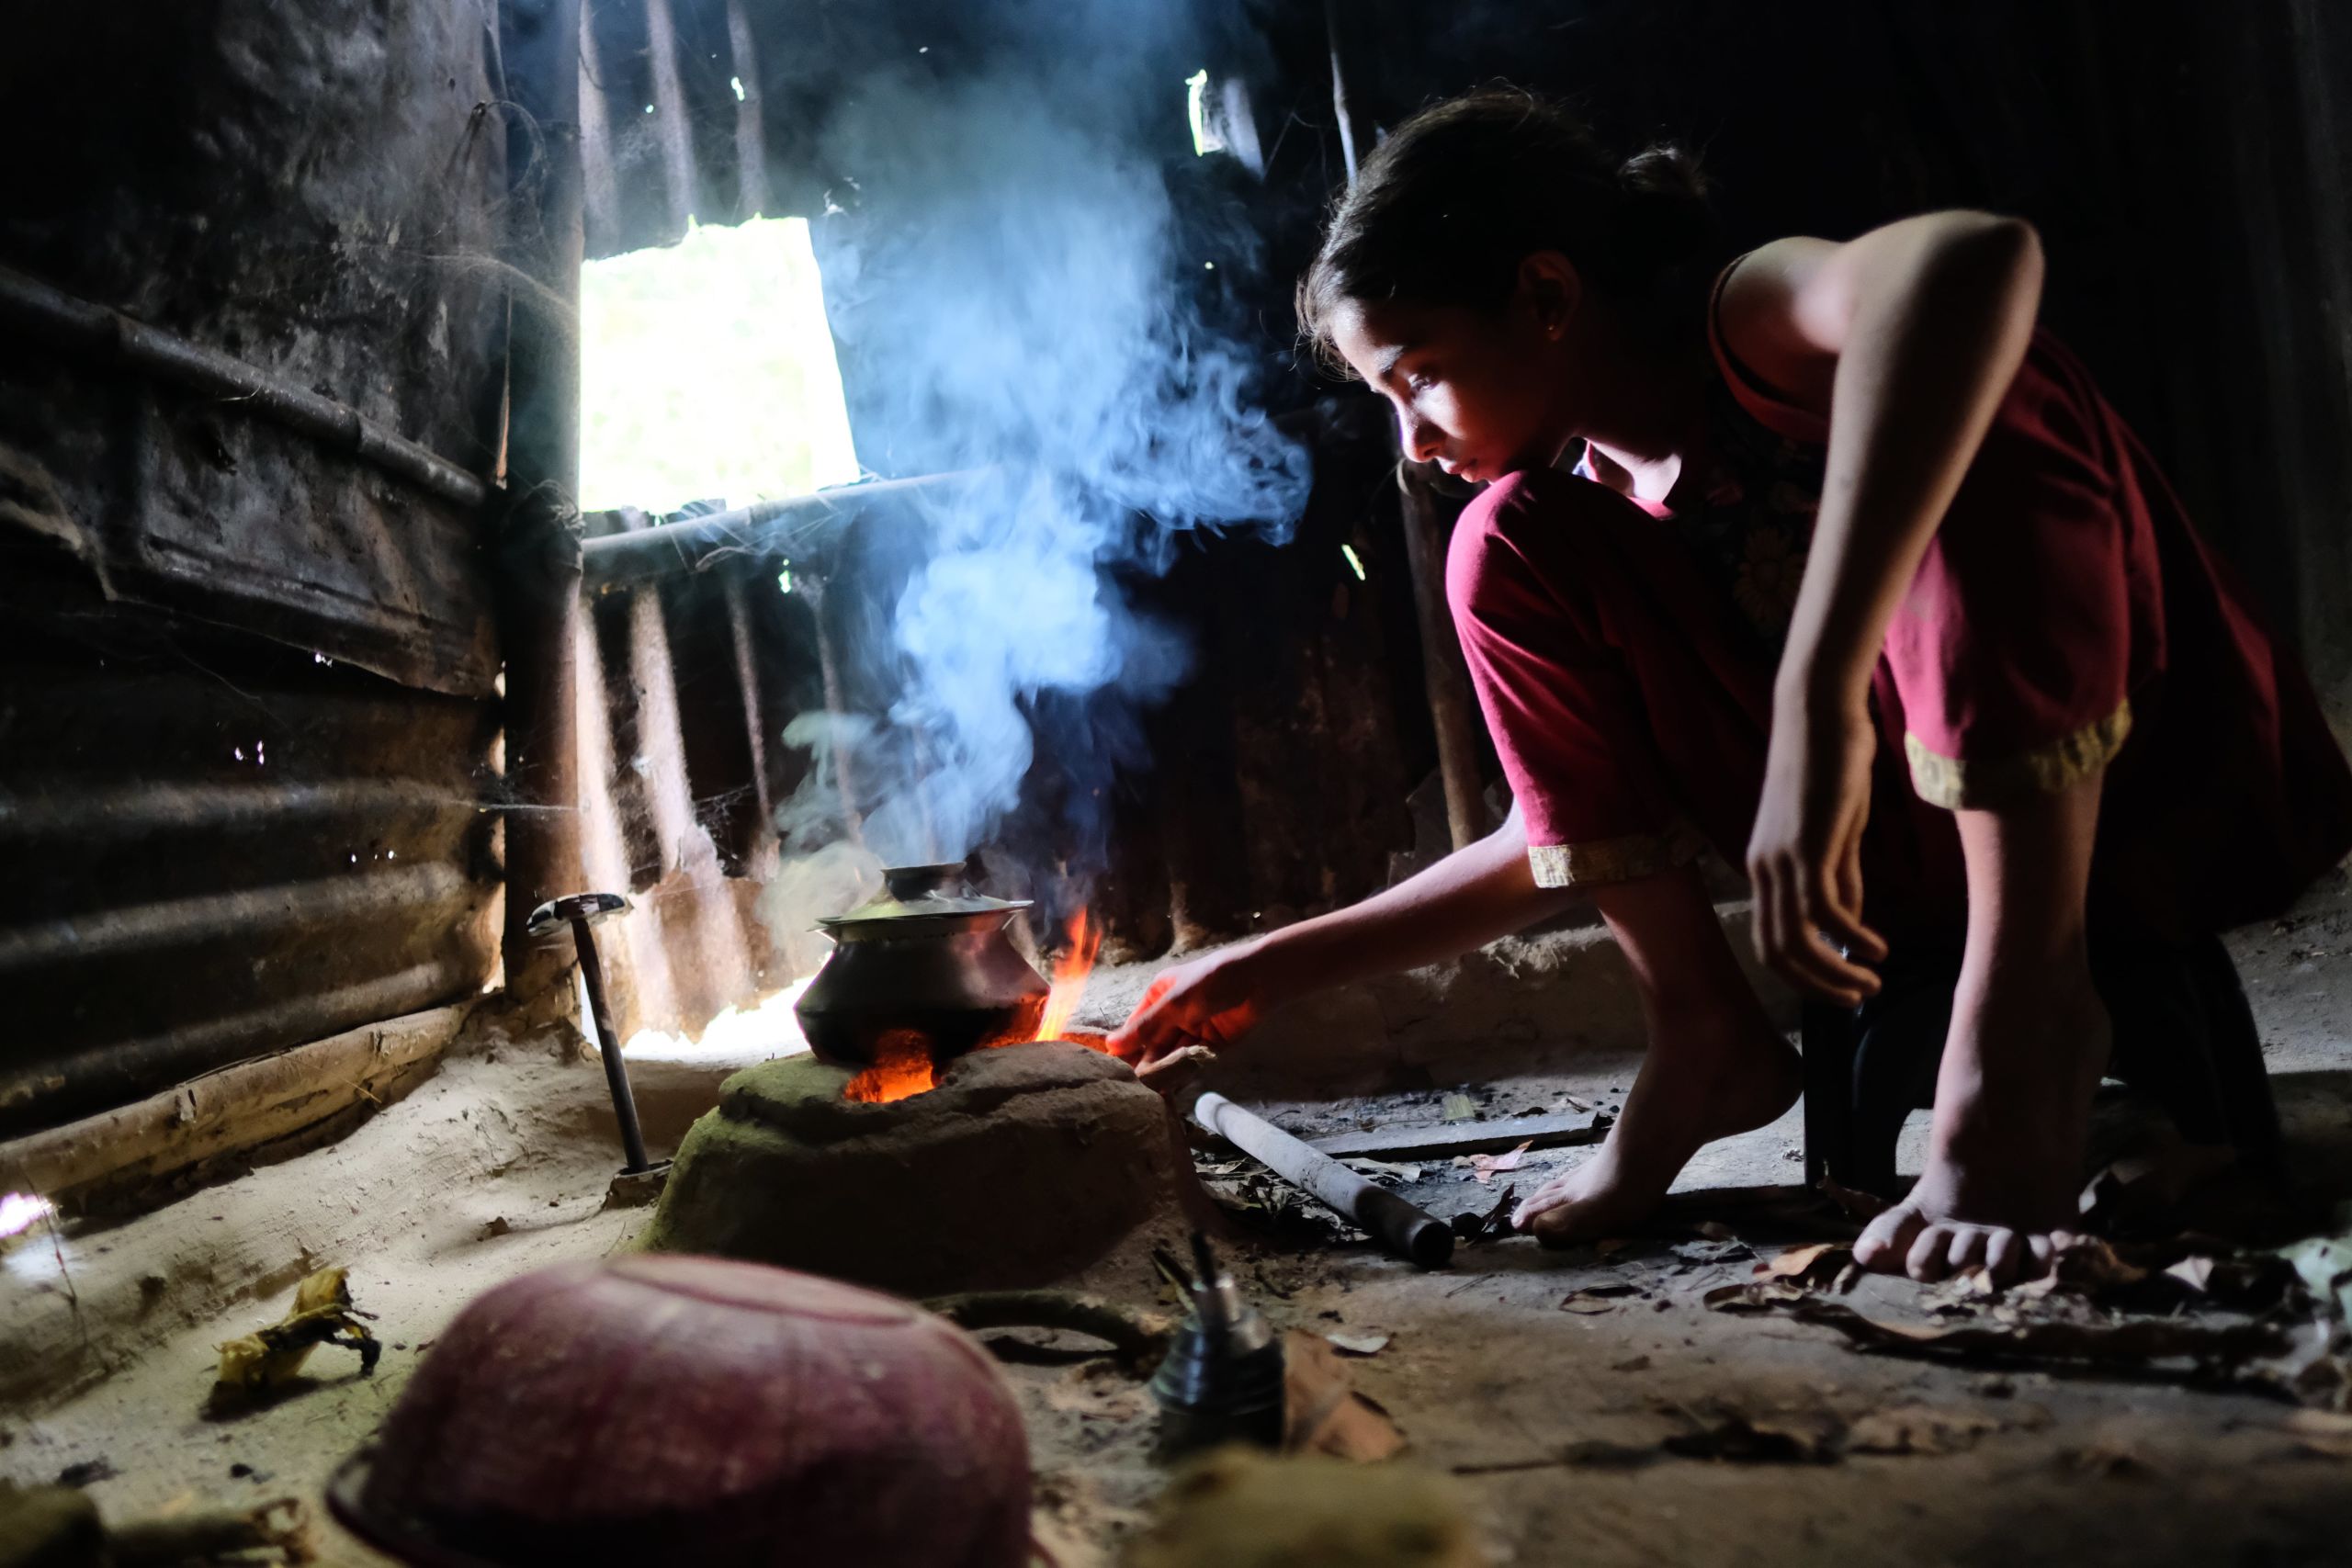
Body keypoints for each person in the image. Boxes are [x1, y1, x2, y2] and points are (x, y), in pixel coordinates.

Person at [1111, 88, 2352, 1283]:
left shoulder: (1746, 324)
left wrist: (1817, 696)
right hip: (1892, 875)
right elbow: (1550, 837)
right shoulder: (1592, 503)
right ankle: (1702, 1032)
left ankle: (2020, 1032)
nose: (1413, 442)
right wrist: (1264, 972)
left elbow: (1978, 260)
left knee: (1977, 400)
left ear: (1547, 295)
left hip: (2130, 797)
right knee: (1499, 546)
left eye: (1420, 375)